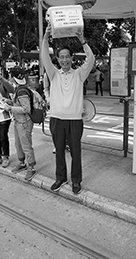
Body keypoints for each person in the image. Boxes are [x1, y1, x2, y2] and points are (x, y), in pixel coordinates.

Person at [41, 24, 95, 194]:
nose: (64, 60)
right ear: (57, 59)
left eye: (67, 57)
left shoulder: (79, 74)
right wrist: (45, 37)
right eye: (61, 57)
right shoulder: (54, 74)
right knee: (58, 153)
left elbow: (91, 59)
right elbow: (44, 57)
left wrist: (82, 40)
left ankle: (76, 181)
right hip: (56, 119)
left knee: (76, 153)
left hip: (74, 121)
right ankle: (60, 178)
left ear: (72, 58)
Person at [1, 66, 36, 181]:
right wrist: (10, 102)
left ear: (13, 77)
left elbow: (26, 109)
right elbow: (19, 104)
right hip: (19, 121)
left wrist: (10, 107)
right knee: (18, 144)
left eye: (10, 76)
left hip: (24, 122)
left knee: (26, 146)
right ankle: (22, 163)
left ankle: (31, 167)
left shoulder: (21, 90)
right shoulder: (20, 88)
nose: (9, 78)